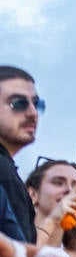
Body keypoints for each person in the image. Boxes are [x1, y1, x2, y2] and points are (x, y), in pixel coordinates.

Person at [0, 66, 41, 243]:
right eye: (18, 103)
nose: (33, 113)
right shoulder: (4, 173)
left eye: (37, 104)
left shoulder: (7, 169)